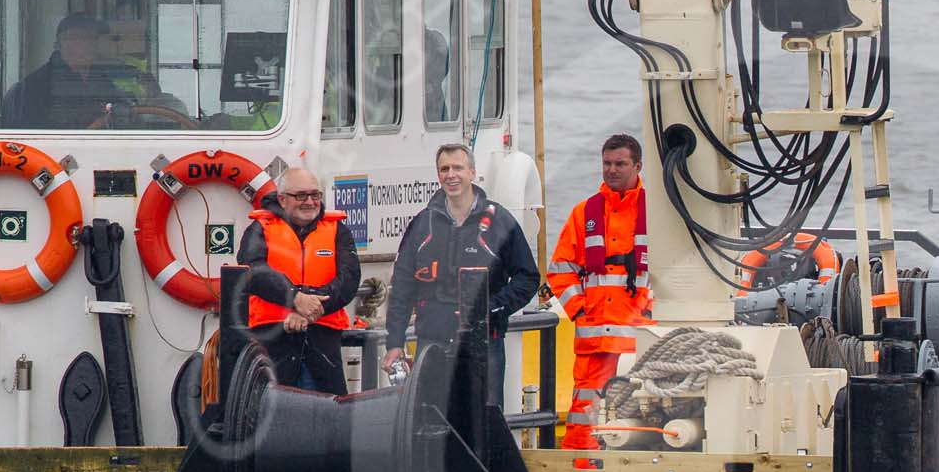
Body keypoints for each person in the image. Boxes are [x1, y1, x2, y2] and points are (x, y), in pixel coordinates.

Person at [383, 143, 539, 400]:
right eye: (444, 169)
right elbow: (401, 288)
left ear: (473, 172)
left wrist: (494, 307)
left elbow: (528, 278)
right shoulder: (424, 223)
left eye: (458, 167)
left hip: (484, 343)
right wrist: (395, 343)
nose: (451, 175)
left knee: (484, 422)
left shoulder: (500, 221)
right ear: (438, 175)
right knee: (431, 421)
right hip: (432, 341)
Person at [546, 134, 653, 449]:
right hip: (595, 342)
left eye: (620, 163)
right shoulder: (585, 213)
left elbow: (674, 272)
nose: (612, 170)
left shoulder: (657, 212)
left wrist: (649, 311)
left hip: (643, 341)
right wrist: (581, 311)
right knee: (585, 413)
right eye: (607, 163)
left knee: (645, 411)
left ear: (637, 166)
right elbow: (560, 270)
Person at [236, 167, 361, 395]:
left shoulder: (336, 230)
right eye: (301, 195)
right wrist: (294, 298)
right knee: (273, 418)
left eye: (315, 195)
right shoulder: (260, 229)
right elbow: (254, 270)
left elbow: (349, 279)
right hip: (274, 345)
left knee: (328, 418)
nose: (310, 202)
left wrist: (311, 307)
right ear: (282, 199)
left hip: (323, 346)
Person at [0, 11, 168, 129]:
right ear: (64, 43)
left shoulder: (101, 77)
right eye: (85, 39)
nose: (93, 44)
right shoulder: (35, 86)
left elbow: (125, 109)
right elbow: (34, 133)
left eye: (94, 39)